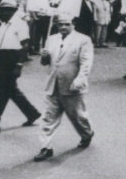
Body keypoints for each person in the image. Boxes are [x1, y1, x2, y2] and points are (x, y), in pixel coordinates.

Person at [34, 11, 94, 162]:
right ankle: (45, 147)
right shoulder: (51, 39)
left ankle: (87, 134)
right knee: (48, 117)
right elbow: (46, 63)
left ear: (73, 24)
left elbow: (86, 63)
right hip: (53, 84)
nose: (63, 27)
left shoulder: (83, 40)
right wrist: (44, 57)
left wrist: (80, 79)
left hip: (71, 84)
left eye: (67, 24)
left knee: (78, 117)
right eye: (60, 24)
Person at [0, 0, 41, 134]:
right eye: (2, 10)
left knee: (0, 93)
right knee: (12, 91)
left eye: (8, 10)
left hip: (13, 59)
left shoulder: (20, 24)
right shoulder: (4, 24)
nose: (4, 13)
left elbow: (25, 46)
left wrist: (19, 65)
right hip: (3, 58)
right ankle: (32, 113)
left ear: (14, 10)